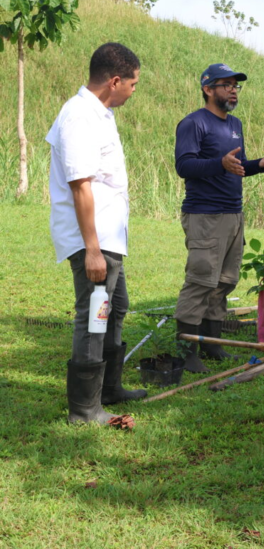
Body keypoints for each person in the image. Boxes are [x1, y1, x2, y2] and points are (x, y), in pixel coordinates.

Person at [173, 64, 264, 372]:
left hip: (233, 213)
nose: (232, 90)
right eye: (226, 85)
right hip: (205, 215)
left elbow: (236, 165)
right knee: (201, 281)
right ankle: (187, 352)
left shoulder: (235, 124)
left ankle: (213, 346)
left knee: (225, 281)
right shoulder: (193, 124)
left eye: (235, 86)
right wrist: (219, 163)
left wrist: (261, 163)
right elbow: (184, 166)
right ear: (207, 89)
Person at [47, 42, 145, 426]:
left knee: (115, 308)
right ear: (115, 80)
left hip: (108, 238)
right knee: (93, 317)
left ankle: (110, 389)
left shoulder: (100, 113)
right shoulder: (78, 118)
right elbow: (80, 186)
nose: (134, 91)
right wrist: (91, 250)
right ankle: (85, 410)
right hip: (93, 241)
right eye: (133, 84)